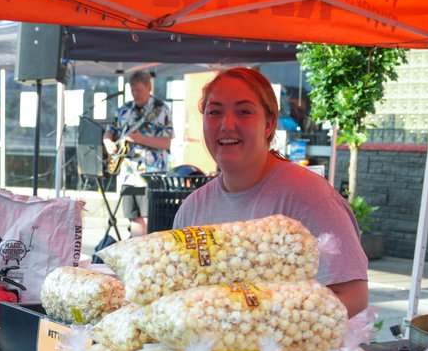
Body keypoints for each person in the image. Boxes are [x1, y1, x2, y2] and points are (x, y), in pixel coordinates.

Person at [173, 67, 369, 317]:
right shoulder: (192, 209)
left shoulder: (308, 197)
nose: (227, 124)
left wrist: (263, 323)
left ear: (269, 124)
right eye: (215, 112)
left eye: (244, 112)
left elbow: (353, 295)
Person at [103, 71, 173, 237]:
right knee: (134, 217)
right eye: (132, 90)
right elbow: (110, 131)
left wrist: (139, 138)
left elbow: (166, 142)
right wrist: (108, 143)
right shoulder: (124, 109)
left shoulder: (161, 109)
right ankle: (137, 252)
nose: (135, 94)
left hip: (150, 174)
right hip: (128, 174)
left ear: (149, 87)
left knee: (150, 218)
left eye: (139, 90)